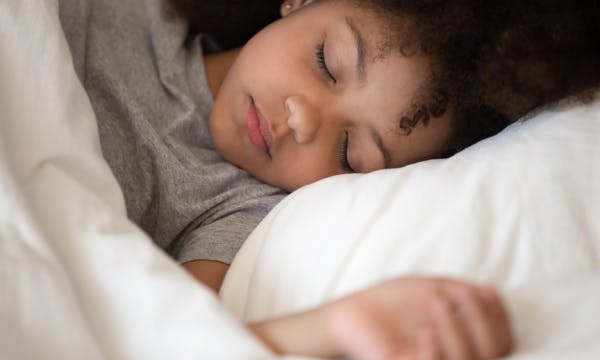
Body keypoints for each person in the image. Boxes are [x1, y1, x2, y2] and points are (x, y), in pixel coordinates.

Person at [57, 0, 598, 358]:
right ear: (302, 1)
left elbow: (173, 344)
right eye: (326, 62)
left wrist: (339, 327)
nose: (303, 118)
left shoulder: (234, 214)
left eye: (349, 151)